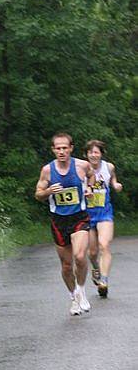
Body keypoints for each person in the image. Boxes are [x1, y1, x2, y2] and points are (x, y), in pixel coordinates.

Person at [35, 132, 95, 315]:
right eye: (58, 148)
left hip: (79, 217)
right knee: (67, 265)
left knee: (79, 256)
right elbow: (37, 194)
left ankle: (82, 292)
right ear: (53, 150)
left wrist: (89, 187)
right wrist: (48, 192)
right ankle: (73, 295)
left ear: (71, 148)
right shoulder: (47, 170)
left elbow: (91, 176)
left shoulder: (82, 165)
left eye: (65, 148)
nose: (61, 151)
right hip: (58, 221)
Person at [84, 139, 123, 298]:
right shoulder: (81, 168)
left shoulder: (108, 167)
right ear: (86, 154)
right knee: (92, 253)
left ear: (101, 154)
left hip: (104, 212)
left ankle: (104, 282)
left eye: (96, 152)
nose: (93, 155)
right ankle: (96, 269)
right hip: (86, 214)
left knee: (104, 244)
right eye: (90, 152)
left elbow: (112, 179)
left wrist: (115, 185)